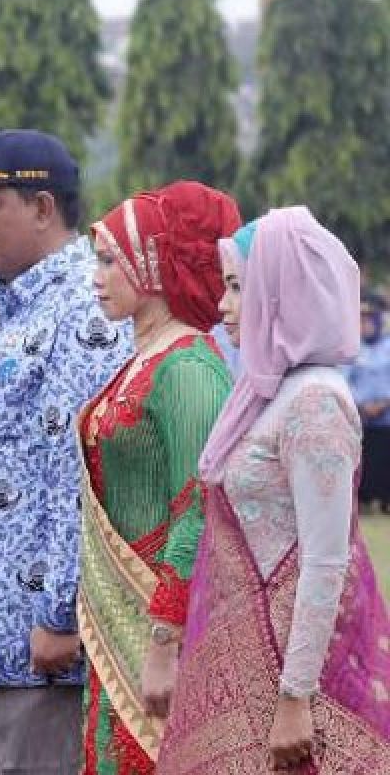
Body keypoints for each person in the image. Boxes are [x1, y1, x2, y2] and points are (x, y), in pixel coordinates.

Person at [159, 207, 390, 773]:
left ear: (280, 291)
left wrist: (294, 697)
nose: (223, 305)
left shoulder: (314, 402)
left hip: (292, 676)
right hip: (251, 662)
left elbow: (326, 560)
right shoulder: (266, 392)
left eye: (239, 286)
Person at [0, 130, 132, 774]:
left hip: (40, 647)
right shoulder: (18, 309)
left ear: (44, 208)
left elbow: (81, 475)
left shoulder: (84, 306)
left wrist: (59, 613)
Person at [78, 182, 238, 773]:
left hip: (157, 630)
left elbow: (199, 505)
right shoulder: (141, 360)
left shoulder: (189, 367)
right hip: (115, 621)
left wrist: (165, 639)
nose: (96, 275)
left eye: (108, 259)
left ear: (151, 266)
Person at [346, 296, 390, 512]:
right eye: (360, 321)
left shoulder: (387, 346)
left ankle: (384, 501)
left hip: (386, 417)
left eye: (367, 320)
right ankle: (361, 502)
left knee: (385, 459)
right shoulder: (353, 349)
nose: (364, 325)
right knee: (363, 460)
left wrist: (384, 402)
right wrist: (362, 405)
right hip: (360, 417)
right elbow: (345, 379)